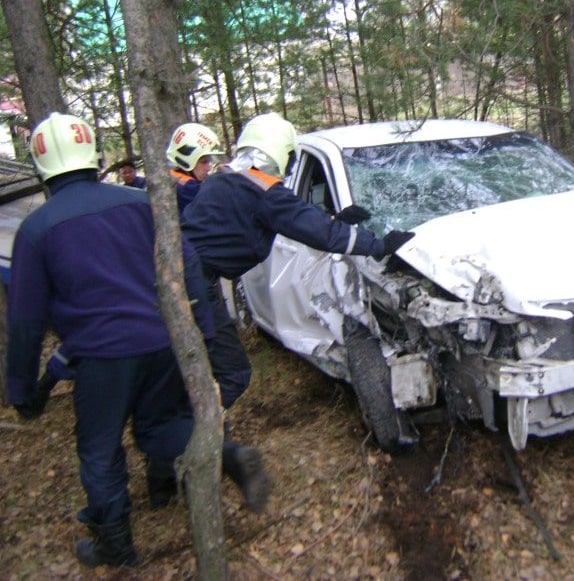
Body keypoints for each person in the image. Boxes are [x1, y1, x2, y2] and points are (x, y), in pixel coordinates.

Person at [6, 112, 272, 568]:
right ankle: (229, 456)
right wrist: (202, 332)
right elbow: (186, 261)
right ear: (94, 154)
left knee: (99, 447)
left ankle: (117, 547)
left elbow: (25, 321)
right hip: (163, 340)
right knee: (159, 427)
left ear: (41, 166)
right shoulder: (138, 201)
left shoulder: (37, 228)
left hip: (101, 356)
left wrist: (20, 391)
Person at [181, 112, 414, 411]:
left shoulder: (224, 177)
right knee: (232, 373)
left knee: (197, 361)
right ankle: (194, 435)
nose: (290, 164)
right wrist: (378, 245)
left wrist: (333, 220)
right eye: (290, 156)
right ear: (279, 152)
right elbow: (307, 225)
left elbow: (291, 217)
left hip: (183, 272)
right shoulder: (264, 192)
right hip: (194, 281)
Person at [166, 122, 224, 214]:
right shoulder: (188, 188)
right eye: (204, 162)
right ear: (187, 158)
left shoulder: (169, 176)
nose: (208, 168)